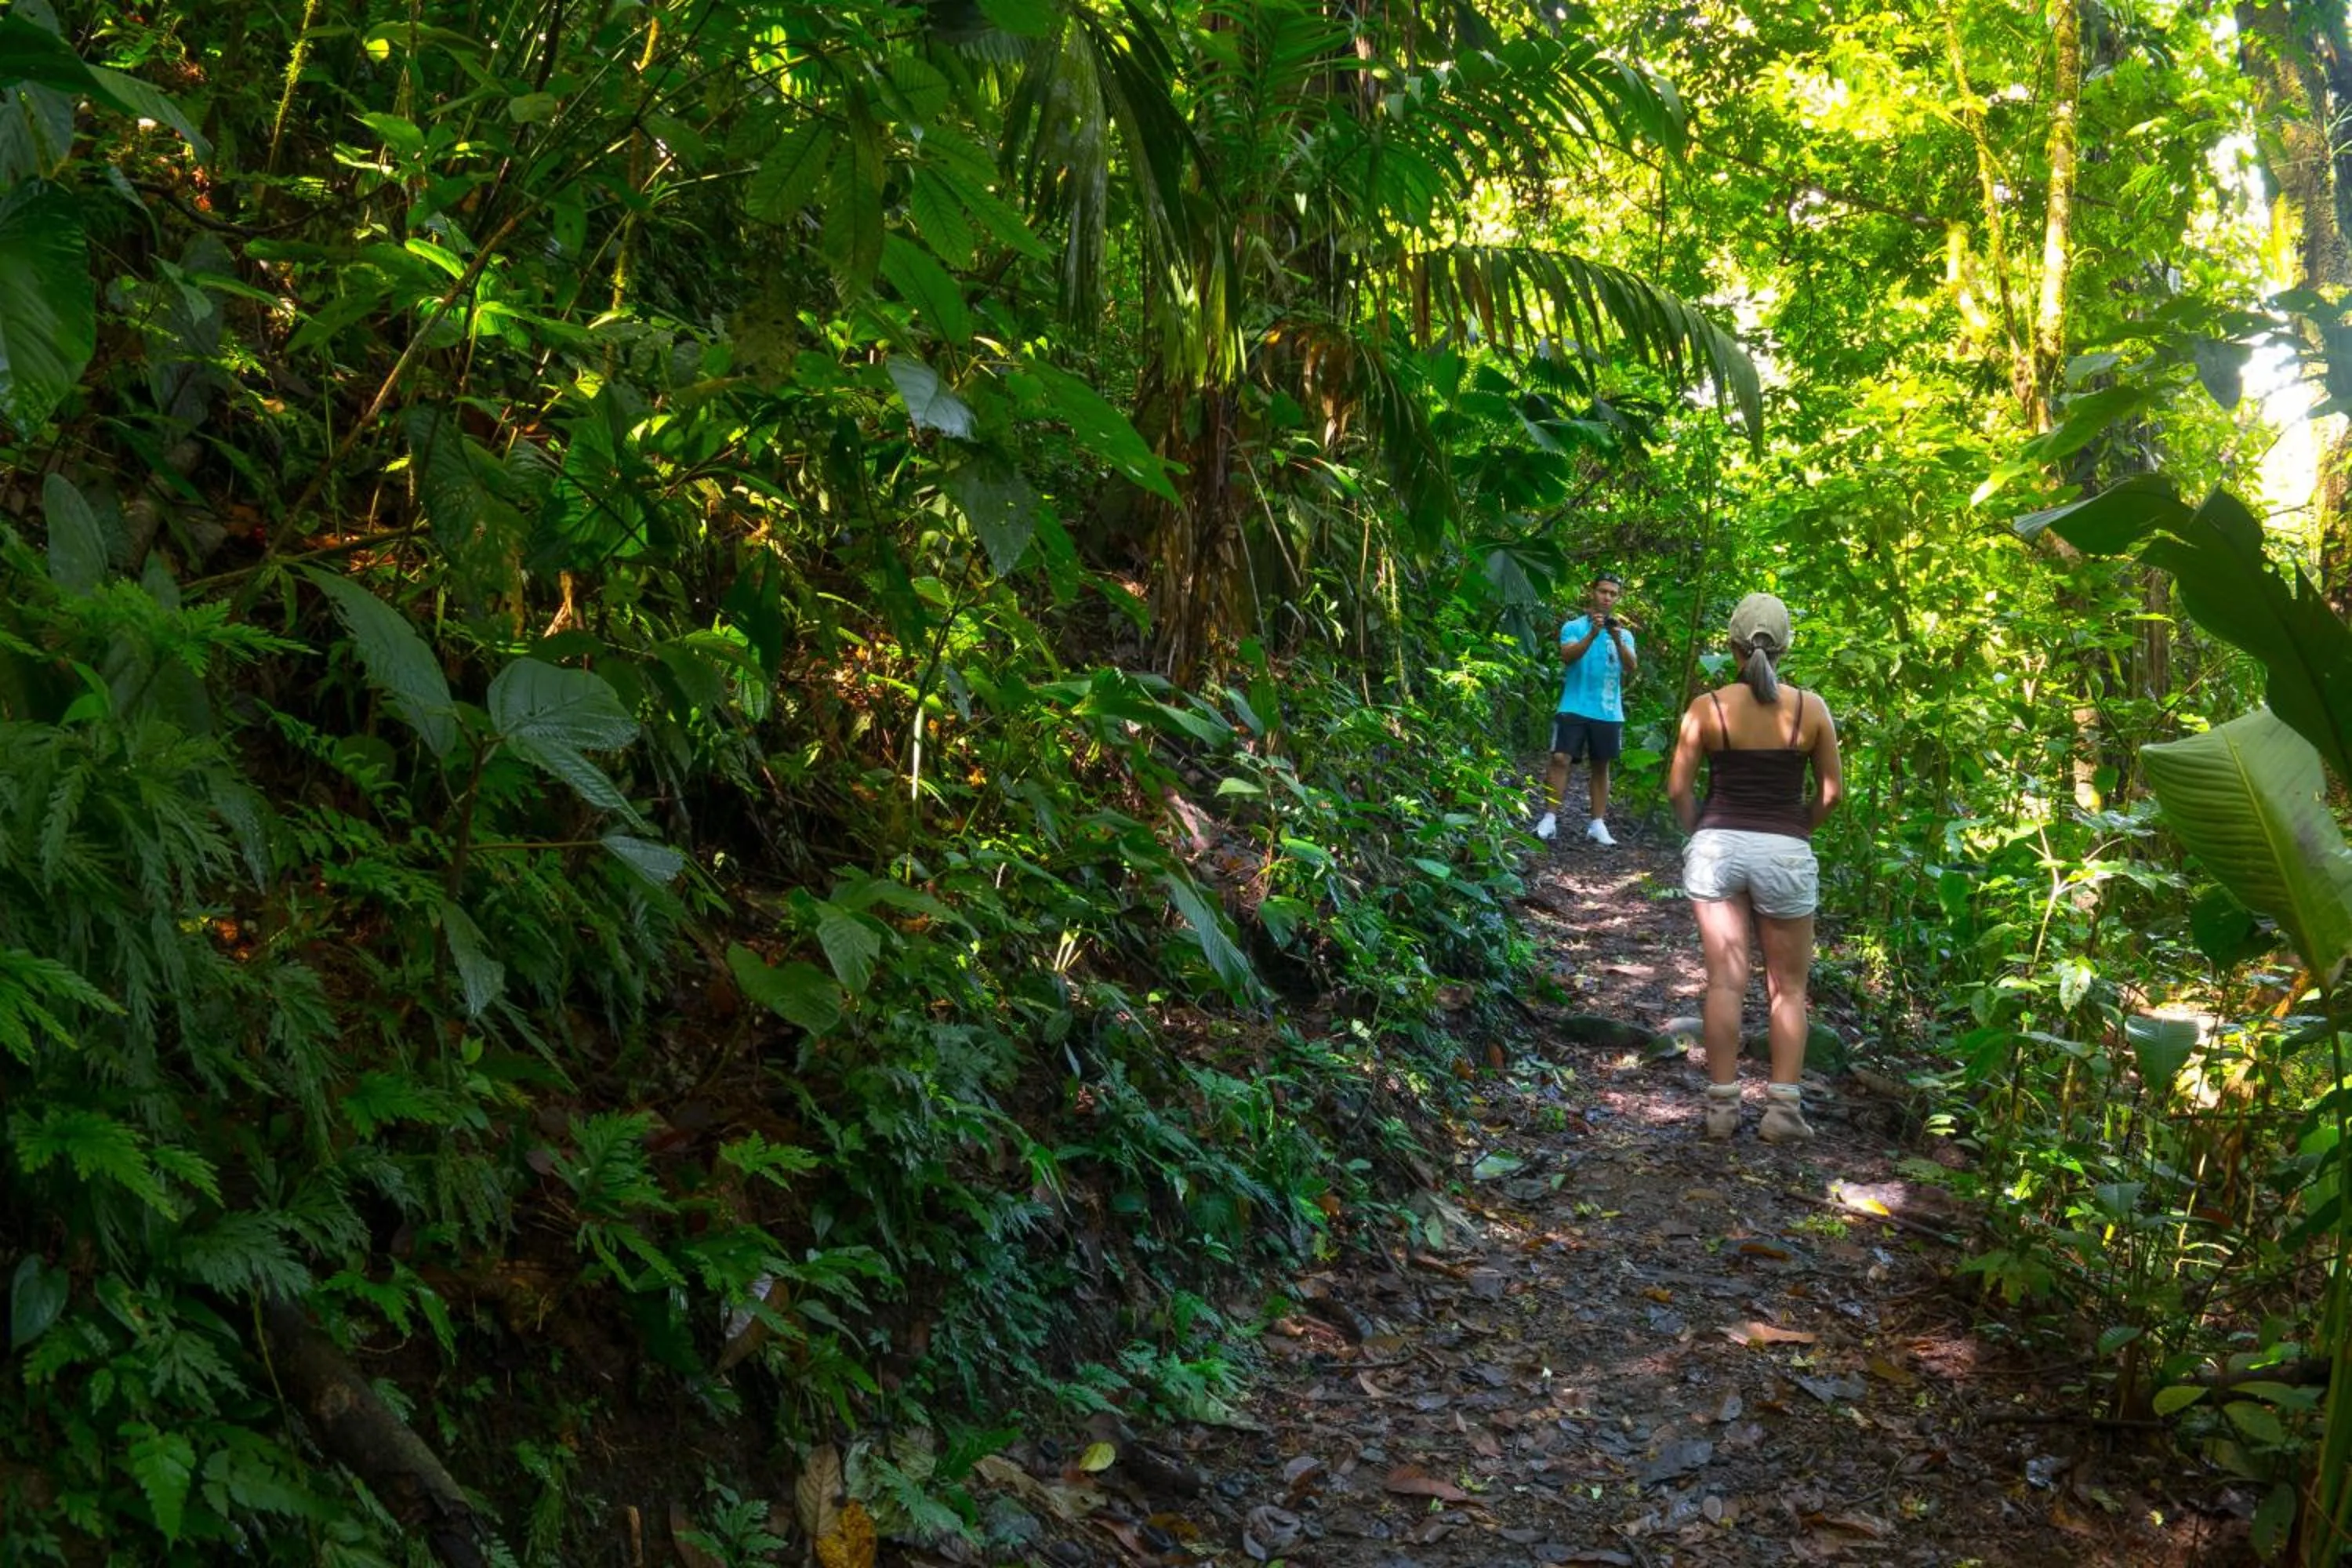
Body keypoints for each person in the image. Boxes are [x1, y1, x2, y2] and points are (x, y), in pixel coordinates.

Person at [1664, 593, 1842, 1143]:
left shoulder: (1707, 707)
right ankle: (1783, 1111)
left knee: (1724, 982)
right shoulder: (1810, 709)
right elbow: (1832, 794)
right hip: (1784, 851)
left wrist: (1700, 830)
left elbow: (1678, 789)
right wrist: (1798, 829)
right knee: (1788, 989)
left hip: (1718, 847)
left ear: (1732, 645)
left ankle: (1721, 1108)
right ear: (1786, 647)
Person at [1537, 572, 1637, 847]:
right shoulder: (1574, 627)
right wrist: (1593, 634)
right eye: (1603, 591)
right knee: (1560, 758)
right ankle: (1549, 818)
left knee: (1601, 765)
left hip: (1608, 711)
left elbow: (1631, 666)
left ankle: (1597, 824)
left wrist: (1617, 639)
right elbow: (1567, 656)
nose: (1607, 597)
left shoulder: (1624, 634)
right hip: (1573, 705)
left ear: (1618, 598)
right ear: (1592, 593)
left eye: (1613, 594)